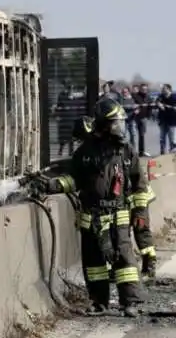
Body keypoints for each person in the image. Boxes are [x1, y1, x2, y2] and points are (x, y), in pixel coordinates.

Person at [39, 98, 145, 317]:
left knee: (125, 260)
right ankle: (99, 302)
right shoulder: (85, 153)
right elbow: (74, 179)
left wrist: (141, 213)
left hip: (119, 215)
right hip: (92, 216)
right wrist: (53, 185)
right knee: (94, 263)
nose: (120, 129)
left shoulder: (127, 152)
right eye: (116, 124)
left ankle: (130, 302)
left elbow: (139, 185)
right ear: (104, 125)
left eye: (122, 123)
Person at [71, 114, 158, 281]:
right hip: (125, 200)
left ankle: (150, 264)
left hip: (136, 197)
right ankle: (121, 266)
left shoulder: (118, 150)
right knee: (114, 236)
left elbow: (136, 184)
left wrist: (139, 210)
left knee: (140, 229)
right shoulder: (94, 150)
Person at [156, 84, 176, 154]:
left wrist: (172, 107)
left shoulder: (174, 97)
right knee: (162, 136)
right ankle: (162, 150)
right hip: (162, 119)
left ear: (169, 89)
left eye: (164, 88)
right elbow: (157, 102)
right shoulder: (161, 96)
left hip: (172, 119)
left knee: (172, 136)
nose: (163, 90)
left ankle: (172, 150)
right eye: (163, 89)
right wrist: (159, 104)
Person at [133, 83, 152, 156]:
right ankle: (133, 152)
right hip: (135, 118)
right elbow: (132, 104)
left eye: (145, 89)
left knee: (142, 135)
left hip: (143, 118)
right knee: (133, 135)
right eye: (143, 89)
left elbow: (150, 107)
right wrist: (136, 109)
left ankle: (141, 151)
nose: (144, 90)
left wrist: (148, 116)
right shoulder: (135, 96)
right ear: (140, 89)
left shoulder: (148, 97)